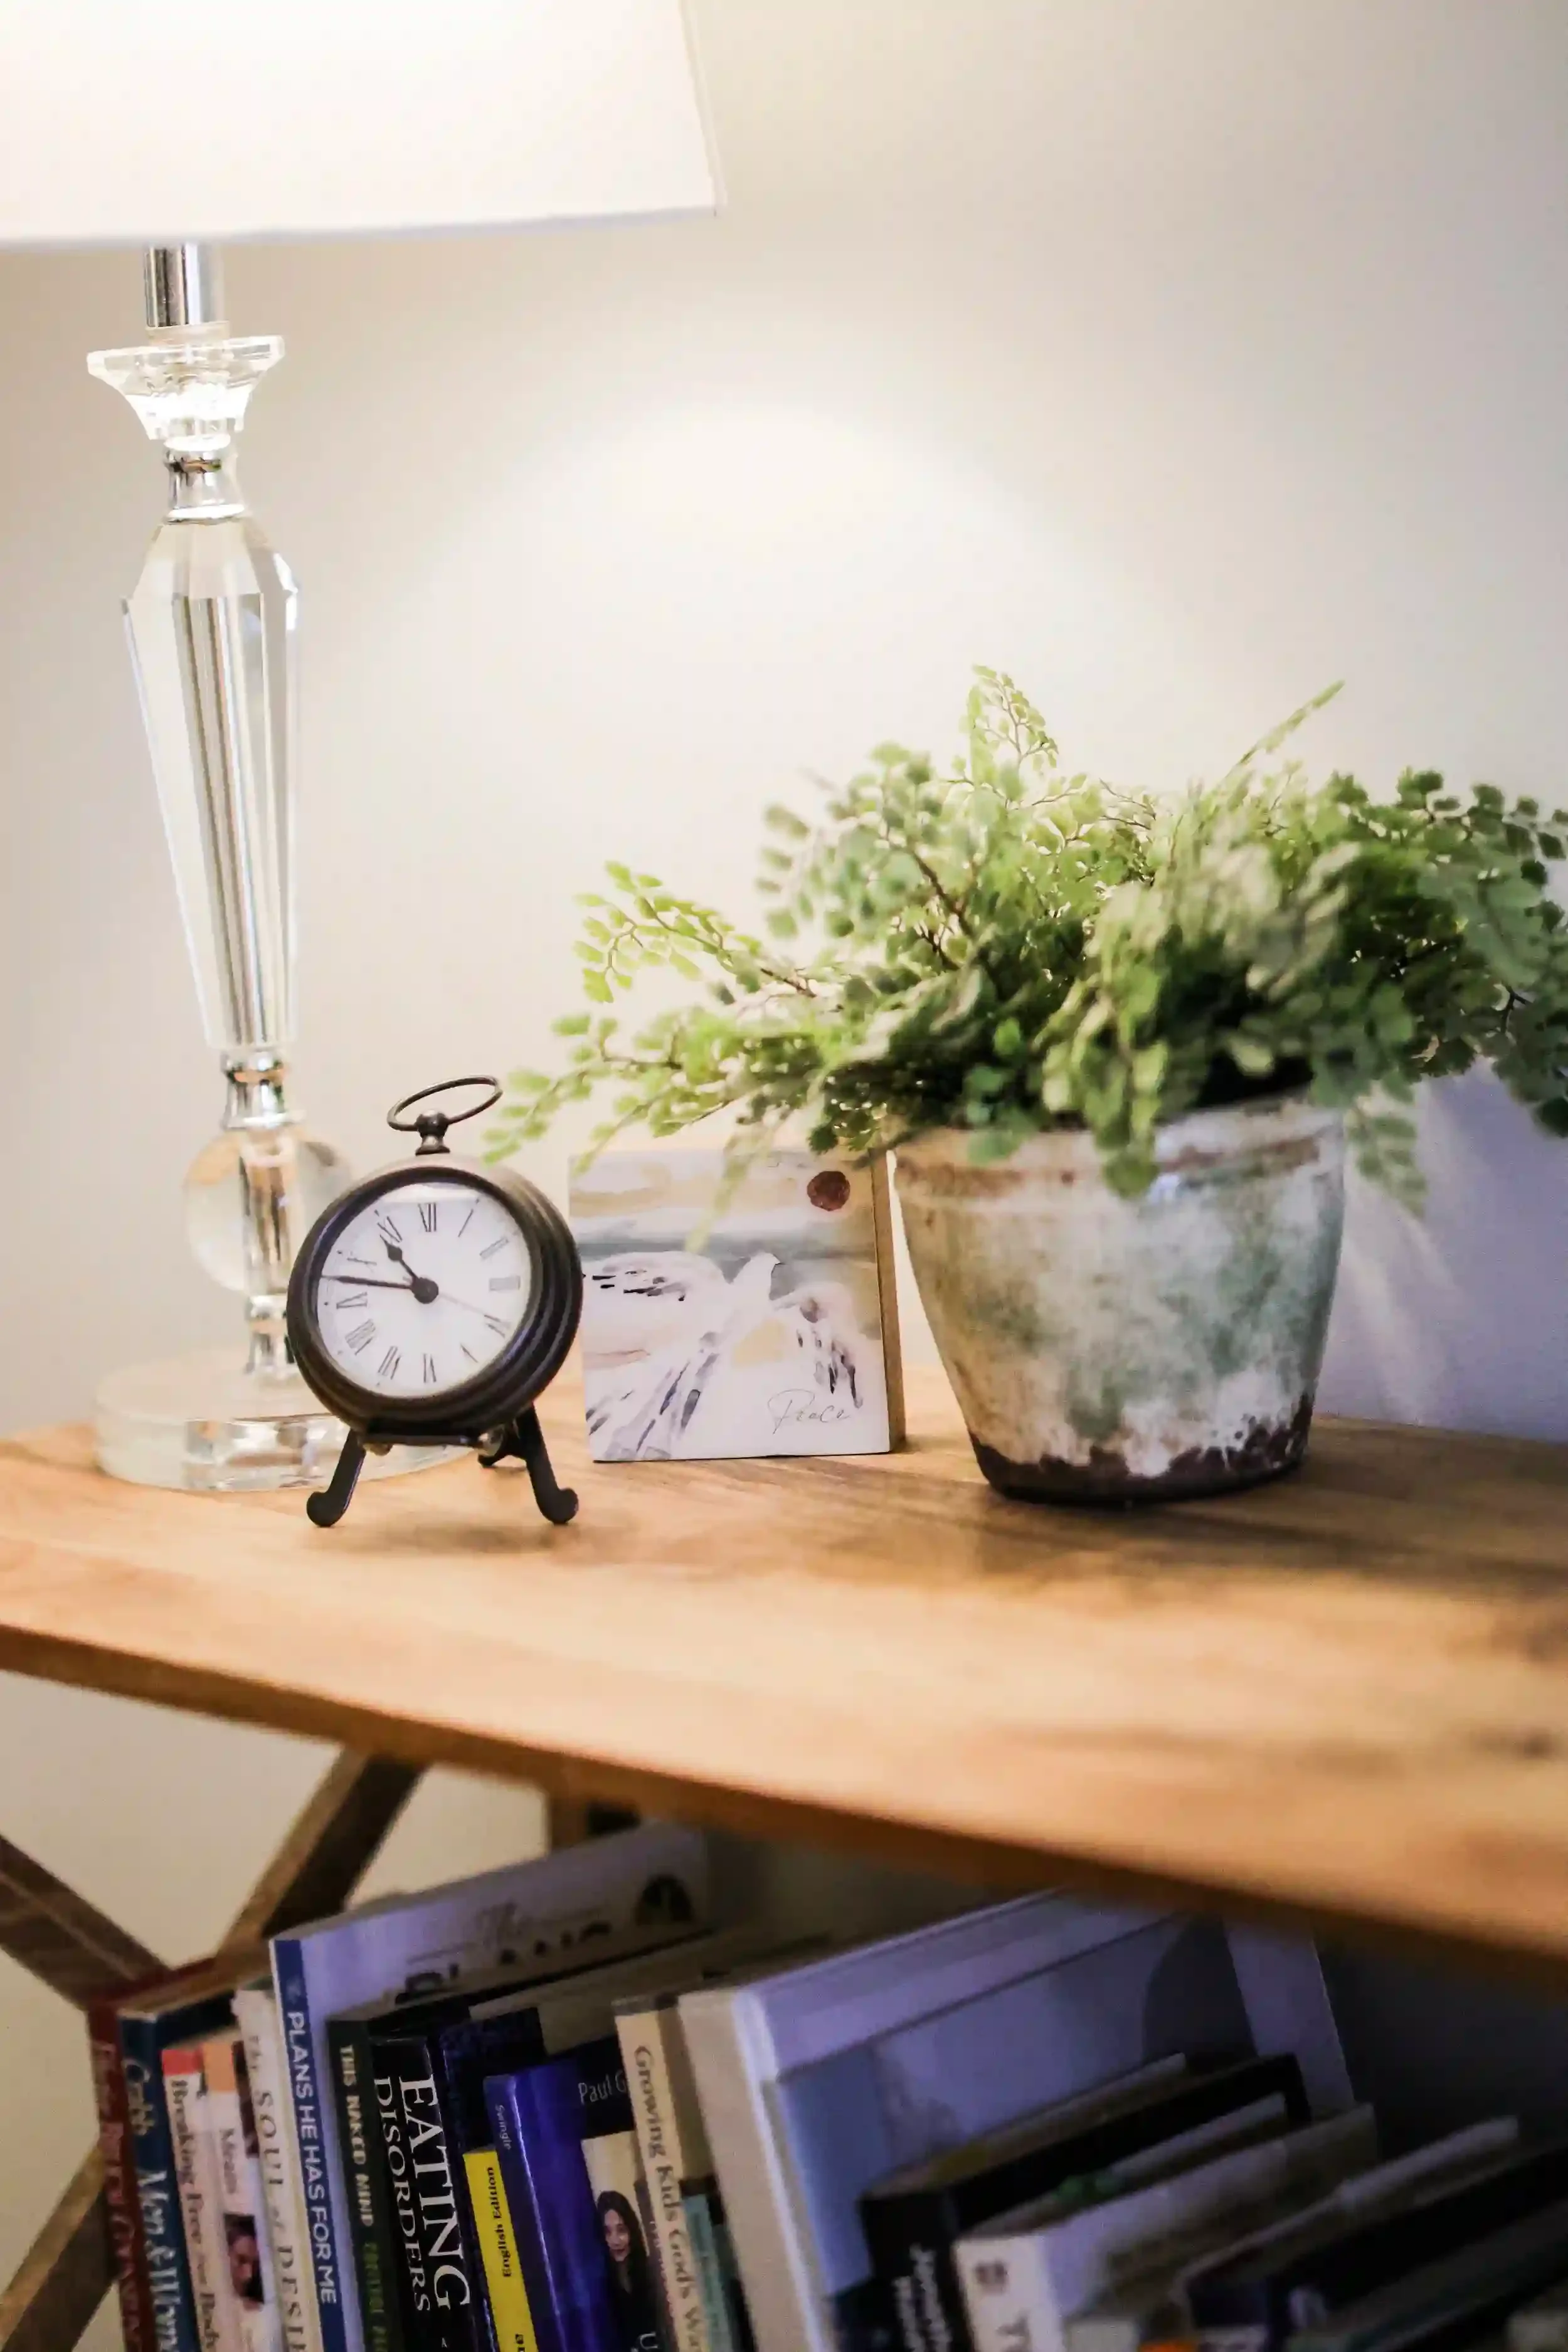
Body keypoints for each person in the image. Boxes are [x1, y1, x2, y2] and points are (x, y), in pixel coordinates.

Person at [596, 2188, 662, 2352]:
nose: (615, 2240)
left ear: (632, 2230)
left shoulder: (652, 2272)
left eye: (622, 2230)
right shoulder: (599, 2285)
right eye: (607, 2232)